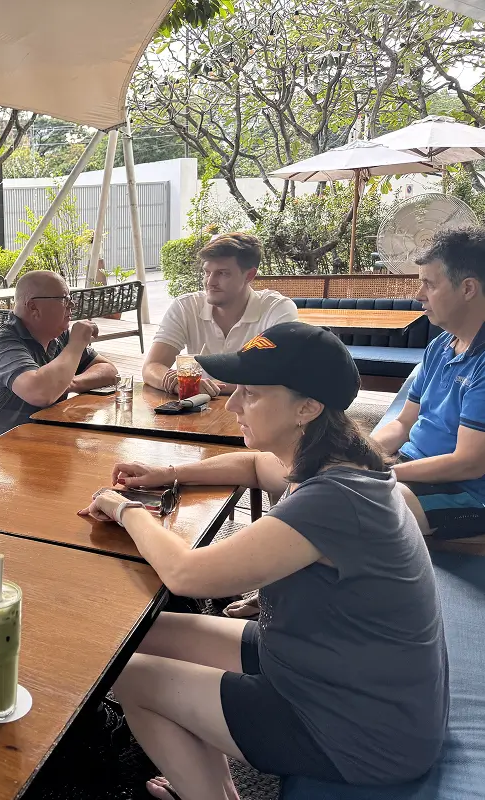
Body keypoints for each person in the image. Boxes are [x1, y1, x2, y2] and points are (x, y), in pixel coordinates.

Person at [79, 322, 448, 800]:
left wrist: (122, 507)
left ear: (308, 407)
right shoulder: (330, 457)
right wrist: (166, 472)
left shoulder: (335, 500)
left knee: (128, 674)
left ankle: (210, 793)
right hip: (325, 661)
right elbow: (253, 466)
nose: (232, 404)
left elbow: (188, 574)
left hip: (359, 727)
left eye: (251, 394)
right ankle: (203, 775)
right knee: (136, 635)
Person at [373, 228, 485, 541]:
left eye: (429, 284)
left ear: (468, 289)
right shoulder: (440, 347)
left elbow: (468, 464)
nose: (418, 295)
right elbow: (404, 423)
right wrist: (361, 455)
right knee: (308, 480)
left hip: (467, 492)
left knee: (351, 507)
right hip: (414, 467)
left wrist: (382, 475)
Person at [0, 270, 118, 454]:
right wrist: (77, 344)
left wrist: (68, 383)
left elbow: (109, 371)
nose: (72, 305)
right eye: (63, 299)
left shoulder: (60, 336)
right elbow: (40, 393)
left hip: (29, 447)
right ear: (33, 307)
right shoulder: (4, 343)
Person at [142, 233, 297, 397]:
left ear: (249, 275)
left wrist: (207, 387)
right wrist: (179, 383)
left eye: (222, 273)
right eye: (207, 272)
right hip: (199, 412)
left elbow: (280, 374)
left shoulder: (277, 308)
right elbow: (152, 366)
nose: (210, 282)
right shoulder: (186, 306)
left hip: (258, 414)